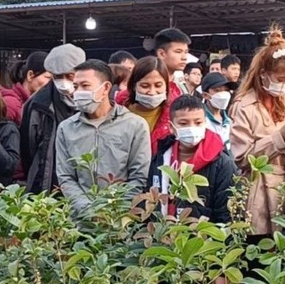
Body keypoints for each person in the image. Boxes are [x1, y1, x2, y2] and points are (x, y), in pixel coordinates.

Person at [230, 28, 285, 237]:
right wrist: (281, 137)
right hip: (256, 192)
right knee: (258, 254)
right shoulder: (244, 105)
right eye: (280, 78)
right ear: (263, 74)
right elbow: (242, 158)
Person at [55, 60, 151, 215]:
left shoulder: (134, 125)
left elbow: (139, 177)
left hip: (121, 220)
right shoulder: (66, 128)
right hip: (80, 222)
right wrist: (88, 211)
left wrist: (114, 210)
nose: (77, 92)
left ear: (106, 87)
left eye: (85, 86)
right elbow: (66, 177)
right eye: (75, 87)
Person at [161, 95, 238, 223]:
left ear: (205, 123)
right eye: (183, 123)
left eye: (198, 123)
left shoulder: (222, 164)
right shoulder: (162, 157)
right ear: (171, 127)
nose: (192, 128)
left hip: (202, 238)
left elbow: (225, 216)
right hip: (163, 235)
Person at [20, 43, 84, 194]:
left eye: (69, 76)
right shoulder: (37, 104)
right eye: (57, 76)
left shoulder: (92, 99)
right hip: (48, 181)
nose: (63, 82)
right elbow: (28, 149)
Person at [121, 57, 173, 187]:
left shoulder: (175, 116)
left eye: (158, 85)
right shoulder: (118, 112)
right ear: (133, 86)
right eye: (145, 86)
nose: (152, 92)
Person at [2, 51, 50, 126]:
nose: (51, 83)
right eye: (48, 77)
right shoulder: (10, 103)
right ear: (30, 75)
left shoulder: (38, 103)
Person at [199, 72, 237, 151]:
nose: (223, 94)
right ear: (205, 95)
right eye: (217, 90)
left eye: (226, 90)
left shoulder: (230, 121)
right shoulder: (200, 121)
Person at [152, 28, 190, 99]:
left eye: (186, 52)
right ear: (161, 54)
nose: (184, 57)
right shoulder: (149, 83)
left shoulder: (180, 86)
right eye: (178, 52)